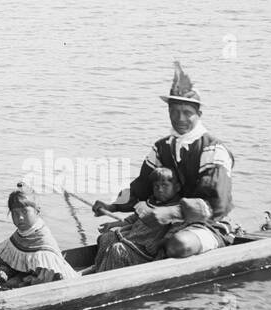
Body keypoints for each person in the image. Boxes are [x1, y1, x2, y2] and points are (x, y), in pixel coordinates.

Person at [92, 61, 236, 258]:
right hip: (167, 221)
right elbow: (140, 188)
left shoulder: (213, 150)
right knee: (110, 236)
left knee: (178, 245)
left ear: (199, 114)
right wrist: (113, 206)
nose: (180, 118)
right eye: (174, 111)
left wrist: (170, 213)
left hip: (209, 224)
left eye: (187, 113)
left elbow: (216, 206)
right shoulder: (161, 148)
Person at [0, 184, 78, 288]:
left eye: (25, 212)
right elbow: (11, 257)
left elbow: (45, 273)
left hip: (46, 278)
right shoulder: (21, 233)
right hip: (28, 272)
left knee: (11, 283)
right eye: (15, 213)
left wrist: (20, 280)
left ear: (37, 211)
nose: (20, 217)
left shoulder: (42, 236)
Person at [92, 167, 183, 272]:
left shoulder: (176, 209)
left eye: (165, 185)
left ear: (177, 187)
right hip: (133, 239)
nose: (160, 190)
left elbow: (174, 231)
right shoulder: (149, 203)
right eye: (156, 186)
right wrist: (112, 224)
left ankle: (106, 275)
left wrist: (159, 244)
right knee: (106, 237)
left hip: (147, 251)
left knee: (117, 250)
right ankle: (99, 269)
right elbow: (132, 220)